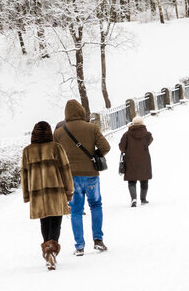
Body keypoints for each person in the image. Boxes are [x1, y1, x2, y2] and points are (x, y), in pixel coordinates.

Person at [54, 99, 111, 255]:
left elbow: (54, 155)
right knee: (96, 205)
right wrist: (94, 156)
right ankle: (98, 240)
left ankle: (79, 246)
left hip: (71, 177)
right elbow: (106, 147)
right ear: (81, 111)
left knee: (76, 211)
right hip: (91, 174)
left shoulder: (59, 132)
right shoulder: (91, 128)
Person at [21, 121, 74, 270]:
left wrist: (27, 195)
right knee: (56, 222)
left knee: (44, 222)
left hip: (38, 194)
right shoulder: (56, 148)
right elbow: (65, 170)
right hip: (56, 192)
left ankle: (48, 251)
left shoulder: (27, 151)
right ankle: (51, 250)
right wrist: (69, 192)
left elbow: (24, 174)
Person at [119, 116, 154, 207]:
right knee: (144, 179)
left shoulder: (127, 134)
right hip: (144, 160)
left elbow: (122, 147)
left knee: (132, 180)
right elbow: (149, 142)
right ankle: (143, 199)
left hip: (130, 160)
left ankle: (133, 199)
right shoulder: (147, 134)